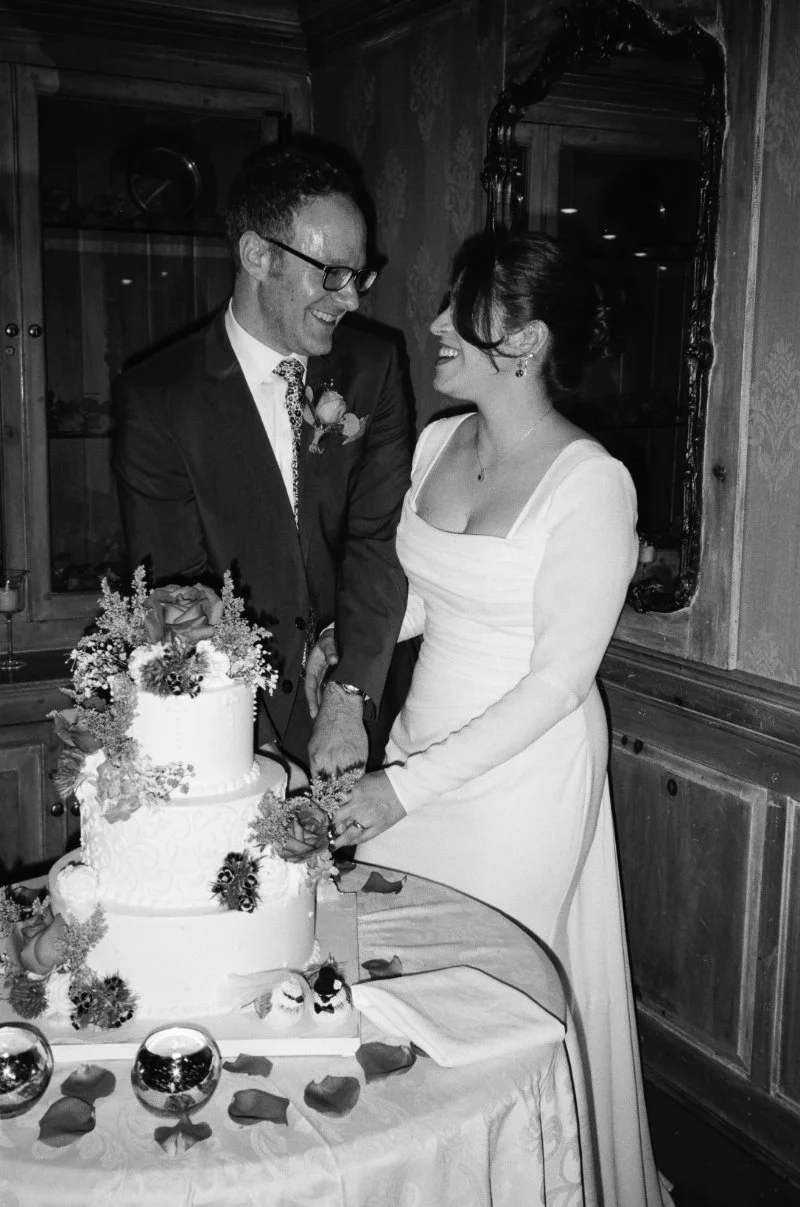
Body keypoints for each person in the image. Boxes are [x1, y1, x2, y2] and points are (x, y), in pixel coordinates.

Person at [327, 231, 673, 1205]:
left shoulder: (590, 483)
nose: (434, 323)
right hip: (417, 744)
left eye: (459, 311)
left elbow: (556, 681)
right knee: (392, 978)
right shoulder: (440, 441)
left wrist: (403, 787)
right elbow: (436, 596)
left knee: (478, 1007)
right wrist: (345, 651)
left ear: (520, 341)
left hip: (519, 776)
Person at [112, 141, 411, 776]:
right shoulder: (159, 396)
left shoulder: (374, 367)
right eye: (331, 272)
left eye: (359, 274)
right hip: (228, 719)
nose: (351, 298)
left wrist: (346, 686)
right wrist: (254, 738)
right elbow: (180, 589)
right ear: (257, 255)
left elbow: (377, 539)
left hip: (353, 709)